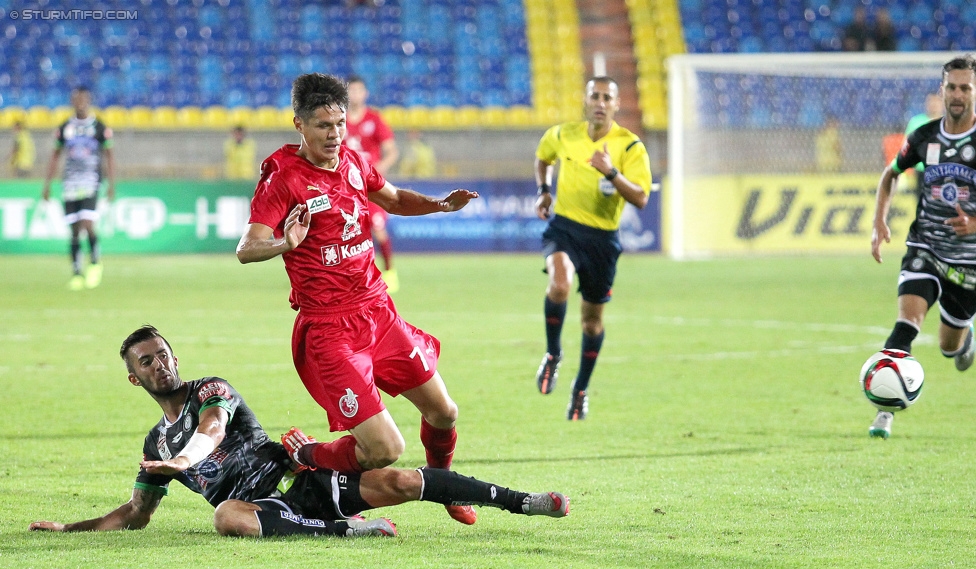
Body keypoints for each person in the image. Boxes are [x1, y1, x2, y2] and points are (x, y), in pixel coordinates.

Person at [28, 326, 570, 537]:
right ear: (133, 376)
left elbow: (214, 431)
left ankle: (526, 502)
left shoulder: (209, 391)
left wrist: (187, 461)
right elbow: (136, 515)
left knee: (403, 479)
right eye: (146, 362)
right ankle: (343, 531)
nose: (159, 365)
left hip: (304, 482)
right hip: (262, 510)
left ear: (176, 356)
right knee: (226, 515)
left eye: (163, 355)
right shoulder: (154, 445)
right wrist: (71, 530)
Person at [236, 73, 480, 525]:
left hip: (378, 313)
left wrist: (440, 205)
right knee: (384, 450)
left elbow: (393, 199)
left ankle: (443, 485)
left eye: (339, 123)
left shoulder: (352, 161)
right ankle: (305, 453)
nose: (334, 134)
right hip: (330, 329)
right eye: (323, 125)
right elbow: (246, 248)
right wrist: (285, 245)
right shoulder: (282, 179)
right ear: (299, 125)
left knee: (445, 412)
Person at [869, 56, 976, 439]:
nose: (958, 94)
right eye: (952, 87)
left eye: (966, 87)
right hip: (925, 248)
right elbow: (890, 174)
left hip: (969, 265)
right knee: (906, 324)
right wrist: (879, 220)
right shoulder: (924, 136)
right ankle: (885, 410)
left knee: (950, 348)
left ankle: (964, 343)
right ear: (942, 90)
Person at [533, 76, 651, 420]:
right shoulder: (563, 134)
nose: (600, 102)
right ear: (585, 101)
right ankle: (553, 354)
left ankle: (580, 389)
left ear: (616, 105)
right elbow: (543, 157)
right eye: (594, 96)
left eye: (607, 97)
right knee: (559, 284)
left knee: (591, 323)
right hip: (565, 228)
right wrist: (543, 189)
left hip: (602, 239)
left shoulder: (629, 147)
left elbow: (641, 197)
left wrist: (611, 172)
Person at [41, 86, 115, 291]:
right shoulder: (65, 126)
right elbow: (55, 155)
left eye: (83, 98)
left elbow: (109, 154)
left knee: (87, 224)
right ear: (73, 101)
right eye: (76, 99)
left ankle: (94, 263)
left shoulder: (98, 126)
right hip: (69, 183)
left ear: (88, 100)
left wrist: (111, 184)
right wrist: (47, 185)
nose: (80, 102)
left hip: (91, 181)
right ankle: (76, 273)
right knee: (74, 231)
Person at [344, 75, 400, 291]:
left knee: (378, 229)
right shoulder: (339, 119)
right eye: (351, 90)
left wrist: (378, 170)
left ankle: (390, 272)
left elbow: (392, 151)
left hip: (370, 187)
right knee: (347, 231)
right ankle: (353, 276)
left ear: (365, 93)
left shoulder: (375, 119)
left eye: (359, 90)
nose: (355, 94)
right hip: (345, 186)